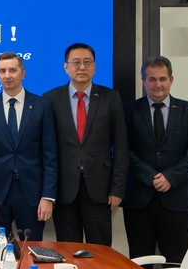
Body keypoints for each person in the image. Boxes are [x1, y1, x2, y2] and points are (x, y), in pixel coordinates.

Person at [43, 43, 128, 246]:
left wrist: (117, 189)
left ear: (95, 67)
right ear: (66, 67)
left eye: (87, 62)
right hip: (64, 190)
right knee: (68, 250)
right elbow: (46, 149)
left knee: (100, 250)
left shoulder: (111, 98)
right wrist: (48, 192)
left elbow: (121, 146)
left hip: (100, 188)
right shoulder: (50, 99)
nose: (82, 67)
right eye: (76, 62)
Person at [123, 56, 188, 263]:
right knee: (140, 263)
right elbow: (123, 149)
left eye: (162, 79)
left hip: (177, 198)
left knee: (175, 263)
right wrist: (150, 176)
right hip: (139, 199)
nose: (158, 84)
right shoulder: (128, 111)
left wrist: (170, 177)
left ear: (171, 79)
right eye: (152, 79)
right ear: (143, 81)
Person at [0, 51, 58, 240]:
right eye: (2, 71)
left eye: (13, 70)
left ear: (23, 73)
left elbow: (50, 155)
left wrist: (48, 196)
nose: (7, 75)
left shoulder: (42, 106)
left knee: (32, 248)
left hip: (33, 195)